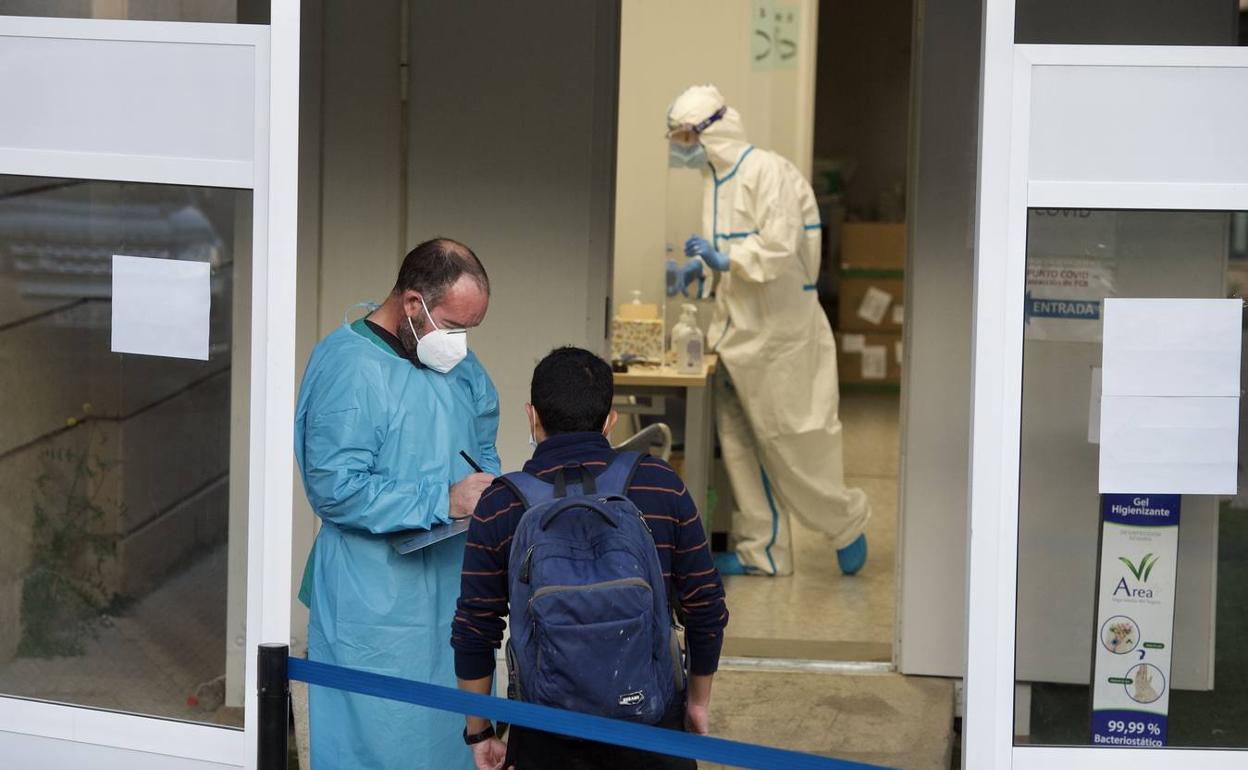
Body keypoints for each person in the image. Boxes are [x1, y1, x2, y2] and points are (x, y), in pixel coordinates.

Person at [452, 347, 728, 770]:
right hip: (651, 726)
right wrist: (696, 703)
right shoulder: (659, 485)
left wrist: (481, 732)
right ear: (610, 420)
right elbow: (705, 606)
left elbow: (475, 630)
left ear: (532, 416)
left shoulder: (502, 504)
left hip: (545, 731)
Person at [295, 237, 500, 770]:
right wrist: (442, 498)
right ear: (412, 304)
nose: (459, 343)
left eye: (469, 330)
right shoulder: (348, 367)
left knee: (454, 735)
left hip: (453, 588)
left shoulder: (460, 368)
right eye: (453, 327)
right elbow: (334, 487)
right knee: (380, 738)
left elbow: (483, 445)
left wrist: (489, 489)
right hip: (374, 602)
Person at [665, 84, 871, 577]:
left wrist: (724, 258)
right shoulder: (713, 182)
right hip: (734, 336)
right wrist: (703, 271)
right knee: (738, 442)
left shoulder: (767, 172)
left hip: (782, 337)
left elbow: (778, 248)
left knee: (793, 443)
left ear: (713, 130)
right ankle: (762, 549)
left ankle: (845, 521)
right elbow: (727, 256)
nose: (679, 147)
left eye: (685, 136)